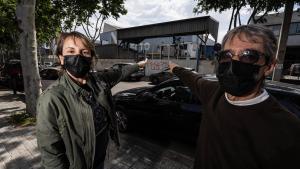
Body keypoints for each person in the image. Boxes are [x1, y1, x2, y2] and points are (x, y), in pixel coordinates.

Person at [169, 25, 300, 169]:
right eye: (227, 55)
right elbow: (190, 77)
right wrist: (171, 66)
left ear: (269, 67)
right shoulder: (213, 92)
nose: (234, 64)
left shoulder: (288, 129)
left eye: (249, 56)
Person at [36, 31, 147, 169]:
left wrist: (139, 65)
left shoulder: (99, 81)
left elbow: (120, 72)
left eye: (84, 52)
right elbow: (51, 154)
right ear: (62, 58)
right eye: (71, 51)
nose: (78, 56)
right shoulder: (51, 98)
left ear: (91, 58)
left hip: (99, 159)